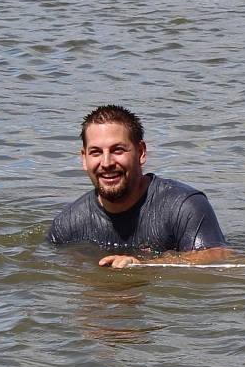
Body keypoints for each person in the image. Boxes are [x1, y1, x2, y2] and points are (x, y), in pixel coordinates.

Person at [49, 105, 231, 268]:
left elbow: (216, 256)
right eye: (96, 152)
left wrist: (144, 265)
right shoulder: (67, 225)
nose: (106, 163)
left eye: (117, 150)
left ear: (141, 152)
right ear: (84, 158)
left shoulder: (184, 206)